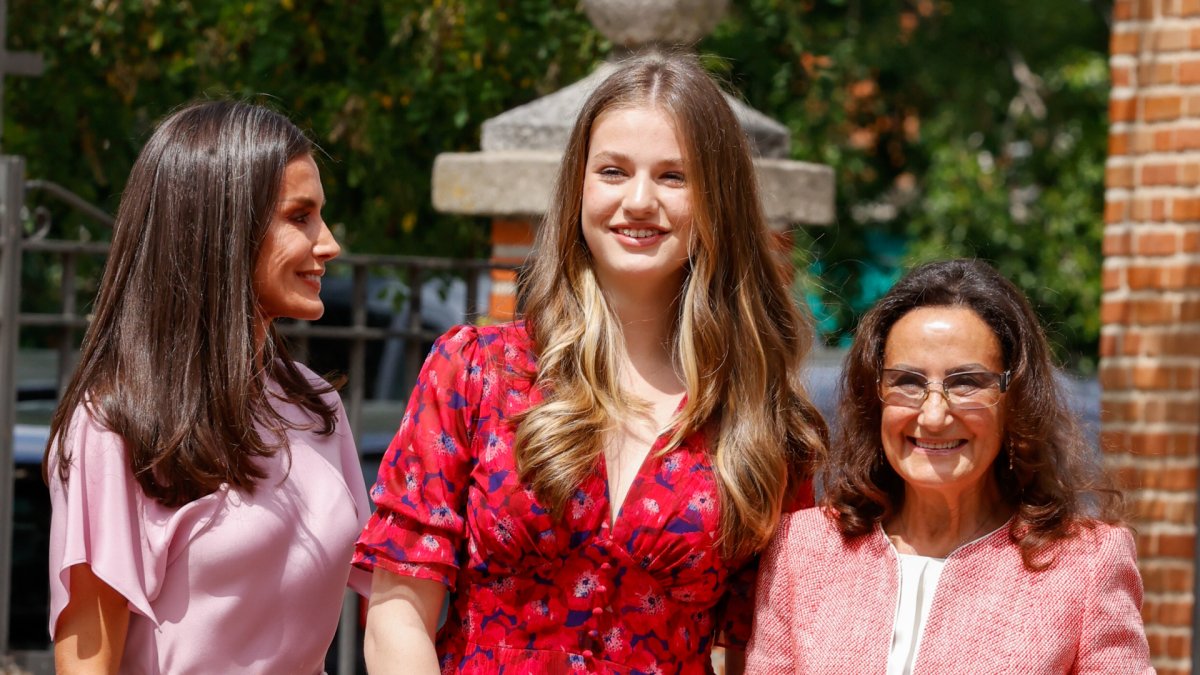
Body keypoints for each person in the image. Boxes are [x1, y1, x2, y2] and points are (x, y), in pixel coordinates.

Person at [353, 51, 828, 673]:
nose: (638, 201)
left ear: (718, 201)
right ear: (578, 184)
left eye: (673, 177)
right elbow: (398, 616)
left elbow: (757, 650)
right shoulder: (476, 372)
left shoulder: (761, 417)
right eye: (612, 171)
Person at [45, 100, 370, 674]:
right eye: (301, 216)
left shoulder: (317, 408)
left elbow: (390, 609)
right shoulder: (115, 425)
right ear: (224, 228)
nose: (329, 243)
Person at [746, 258, 1153, 674]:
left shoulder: (1085, 564)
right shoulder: (803, 548)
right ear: (876, 395)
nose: (934, 415)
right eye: (907, 381)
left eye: (966, 383)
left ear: (1015, 400)